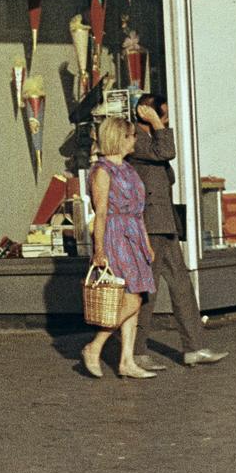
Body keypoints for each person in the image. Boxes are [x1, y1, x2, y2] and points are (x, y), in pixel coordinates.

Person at [129, 94, 227, 369]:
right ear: (148, 113)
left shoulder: (149, 140)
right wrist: (156, 125)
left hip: (165, 222)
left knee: (181, 286)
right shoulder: (135, 138)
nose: (167, 121)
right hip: (150, 224)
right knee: (148, 288)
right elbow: (166, 152)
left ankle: (194, 346)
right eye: (164, 115)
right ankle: (136, 350)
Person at [81, 116, 156, 379]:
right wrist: (99, 249)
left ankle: (126, 361)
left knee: (135, 297)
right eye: (132, 135)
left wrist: (145, 241)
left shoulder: (128, 169)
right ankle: (95, 346)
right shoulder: (102, 171)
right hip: (116, 235)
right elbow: (100, 213)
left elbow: (139, 210)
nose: (135, 139)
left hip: (134, 235)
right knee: (132, 298)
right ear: (119, 138)